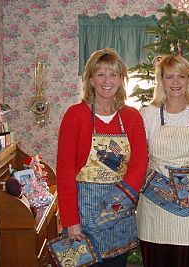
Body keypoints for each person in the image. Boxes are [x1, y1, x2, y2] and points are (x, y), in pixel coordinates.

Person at [56, 48, 148, 267]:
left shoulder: (131, 116)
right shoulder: (75, 115)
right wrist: (71, 220)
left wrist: (119, 200)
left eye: (113, 74)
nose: (107, 81)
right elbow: (65, 170)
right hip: (83, 214)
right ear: (90, 80)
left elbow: (140, 161)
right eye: (101, 74)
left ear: (121, 80)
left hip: (120, 210)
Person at [136, 55, 189, 267]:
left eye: (182, 76)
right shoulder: (148, 114)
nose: (176, 82)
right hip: (154, 203)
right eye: (170, 77)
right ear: (161, 80)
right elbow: (139, 160)